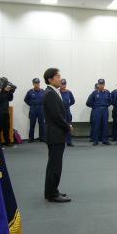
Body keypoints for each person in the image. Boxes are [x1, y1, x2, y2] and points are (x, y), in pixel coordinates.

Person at [42, 68, 72, 203]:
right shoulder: (50, 93)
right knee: (55, 165)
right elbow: (56, 116)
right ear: (50, 79)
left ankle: (52, 190)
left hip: (56, 134)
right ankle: (52, 194)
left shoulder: (54, 92)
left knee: (54, 164)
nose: (60, 78)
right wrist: (67, 126)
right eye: (57, 76)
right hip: (55, 134)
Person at [86, 79, 111, 146]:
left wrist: (105, 106)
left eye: (102, 84)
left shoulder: (107, 92)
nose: (101, 85)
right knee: (96, 125)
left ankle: (105, 140)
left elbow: (110, 101)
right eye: (100, 84)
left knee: (105, 125)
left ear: (104, 84)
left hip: (105, 110)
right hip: (97, 111)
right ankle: (95, 140)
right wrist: (95, 107)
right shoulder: (94, 93)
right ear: (98, 84)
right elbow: (88, 102)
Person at [0, 80, 14, 147]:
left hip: (5, 111)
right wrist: (5, 91)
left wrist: (11, 91)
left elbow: (10, 99)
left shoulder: (4, 90)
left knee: (6, 127)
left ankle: (7, 142)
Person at [24, 78, 45, 143]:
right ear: (33, 84)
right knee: (32, 124)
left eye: (38, 83)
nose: (37, 84)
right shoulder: (30, 92)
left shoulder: (43, 91)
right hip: (33, 109)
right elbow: (26, 100)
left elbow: (45, 100)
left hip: (41, 110)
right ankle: (31, 138)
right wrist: (31, 105)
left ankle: (42, 138)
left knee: (41, 124)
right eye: (35, 83)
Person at [60, 79, 75, 147]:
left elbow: (72, 101)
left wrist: (68, 105)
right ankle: (61, 141)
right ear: (60, 84)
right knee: (60, 126)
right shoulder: (57, 92)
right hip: (60, 111)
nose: (63, 85)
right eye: (62, 84)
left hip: (67, 110)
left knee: (68, 125)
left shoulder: (69, 92)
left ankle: (69, 141)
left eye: (64, 84)